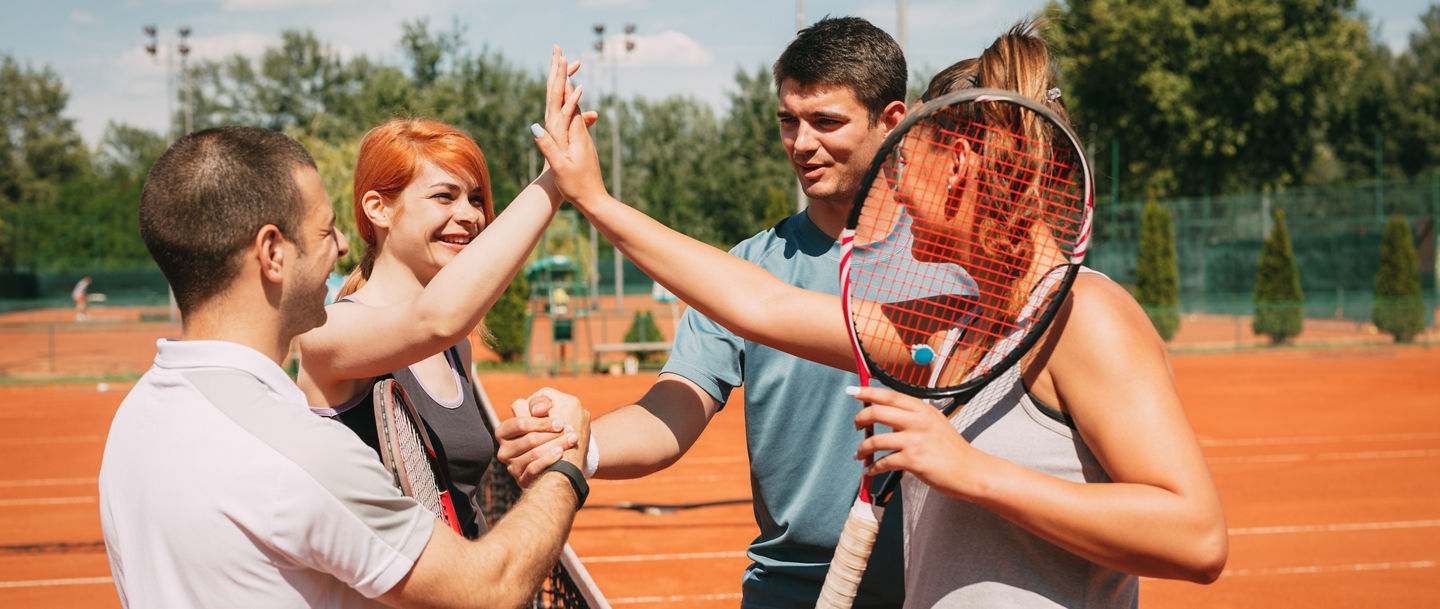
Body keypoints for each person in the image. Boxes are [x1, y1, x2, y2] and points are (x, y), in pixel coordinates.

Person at [528, 20, 1227, 609]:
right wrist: (595, 201)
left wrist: (963, 467)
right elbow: (758, 301)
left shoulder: (1084, 315)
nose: (892, 180)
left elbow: (1196, 535)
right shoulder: (958, 321)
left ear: (957, 162)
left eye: (907, 156)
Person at [502, 17, 909, 609]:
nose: (801, 143)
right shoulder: (745, 267)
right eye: (788, 121)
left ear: (890, 122)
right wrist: (578, 442)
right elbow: (672, 409)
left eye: (826, 122)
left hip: (934, 587)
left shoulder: (951, 262)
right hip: (787, 589)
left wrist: (595, 199)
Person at [98, 124, 592, 609]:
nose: (340, 244)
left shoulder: (139, 416)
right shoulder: (302, 451)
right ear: (272, 252)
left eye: (476, 198)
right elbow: (488, 590)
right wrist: (566, 470)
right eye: (324, 229)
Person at [295, 49, 594, 538]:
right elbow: (435, 319)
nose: (471, 215)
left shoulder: (457, 347)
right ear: (379, 209)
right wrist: (557, 179)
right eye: (444, 196)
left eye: (476, 198)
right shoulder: (329, 332)